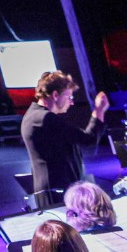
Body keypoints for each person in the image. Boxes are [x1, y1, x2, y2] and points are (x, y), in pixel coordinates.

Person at [21, 72, 108, 202]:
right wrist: (99, 110)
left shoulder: (34, 116)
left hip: (53, 189)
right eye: (68, 96)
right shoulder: (45, 118)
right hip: (57, 190)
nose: (71, 102)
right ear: (55, 95)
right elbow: (88, 140)